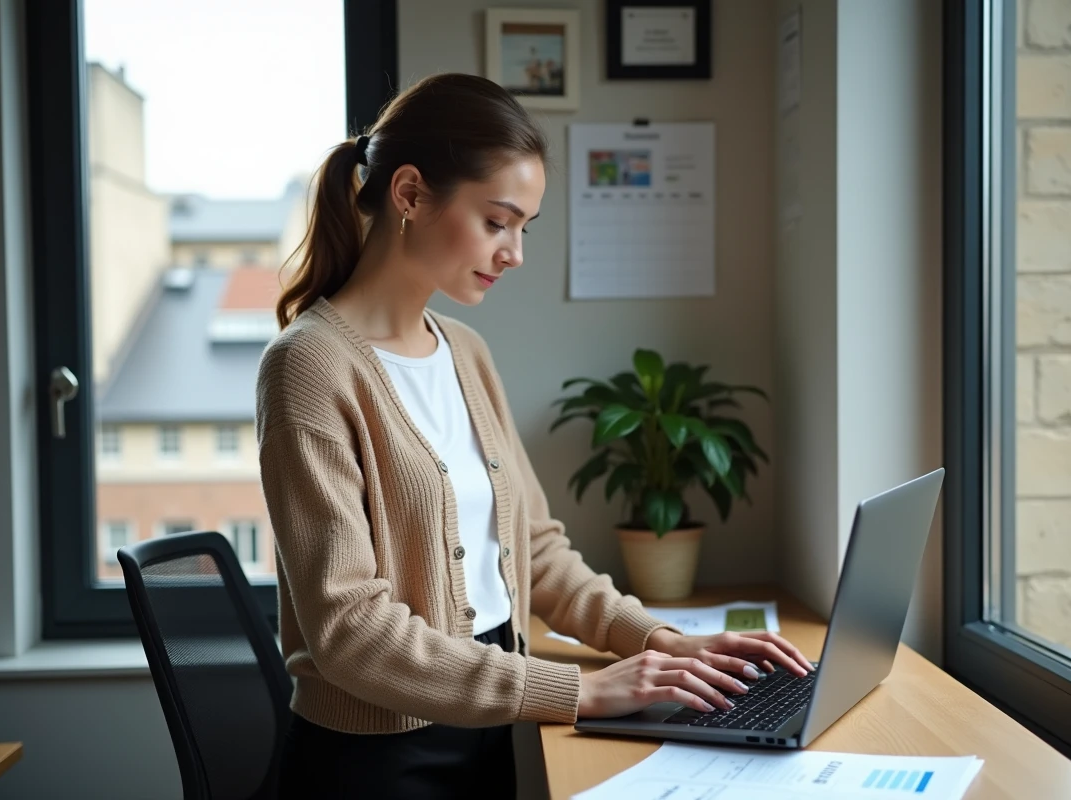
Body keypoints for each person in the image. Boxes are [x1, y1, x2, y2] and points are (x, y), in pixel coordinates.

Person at [257, 72, 813, 799]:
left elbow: (539, 554)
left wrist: (661, 643)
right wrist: (578, 692)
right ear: (411, 194)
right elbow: (350, 631)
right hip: (374, 763)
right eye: (498, 221)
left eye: (525, 227)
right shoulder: (309, 366)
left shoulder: (465, 351)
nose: (515, 252)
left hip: (488, 727)